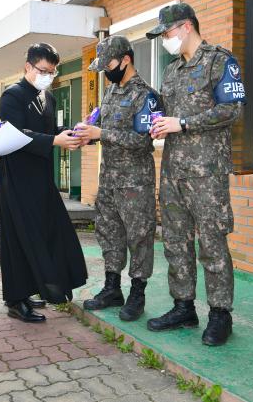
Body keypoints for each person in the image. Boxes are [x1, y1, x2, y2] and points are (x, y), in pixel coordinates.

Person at [146, 3, 245, 346]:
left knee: (213, 243)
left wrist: (183, 123)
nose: (165, 40)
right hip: (173, 171)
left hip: (207, 174)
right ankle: (183, 306)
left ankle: (220, 314)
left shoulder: (220, 61)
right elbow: (168, 116)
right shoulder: (172, 71)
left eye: (168, 33)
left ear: (186, 26)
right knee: (175, 242)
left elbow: (232, 110)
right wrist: (160, 127)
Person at [0, 43, 88, 323]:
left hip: (42, 178)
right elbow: (17, 135)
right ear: (28, 67)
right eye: (43, 70)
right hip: (17, 177)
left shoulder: (49, 98)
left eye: (52, 71)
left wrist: (67, 135)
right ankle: (15, 299)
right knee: (17, 237)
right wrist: (53, 140)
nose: (48, 75)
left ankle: (36, 287)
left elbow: (49, 131)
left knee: (47, 232)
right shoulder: (12, 96)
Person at [76, 35, 159, 322]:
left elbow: (144, 140)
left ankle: (138, 292)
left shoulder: (146, 95)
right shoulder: (111, 92)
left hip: (135, 182)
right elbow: (99, 124)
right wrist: (86, 130)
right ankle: (113, 287)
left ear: (126, 60)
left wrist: (103, 134)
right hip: (109, 179)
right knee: (109, 234)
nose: (106, 72)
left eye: (109, 64)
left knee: (139, 237)